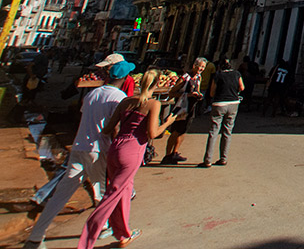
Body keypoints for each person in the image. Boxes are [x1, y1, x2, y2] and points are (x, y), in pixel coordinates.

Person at [22, 63, 131, 249]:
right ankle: (102, 229)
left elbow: (84, 118)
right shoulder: (119, 98)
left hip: (79, 146)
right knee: (104, 193)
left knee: (62, 195)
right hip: (99, 150)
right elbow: (114, 127)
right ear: (125, 78)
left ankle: (35, 236)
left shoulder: (92, 94)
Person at [77, 70, 176, 249]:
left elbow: (108, 128)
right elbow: (152, 133)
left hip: (116, 148)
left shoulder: (126, 102)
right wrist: (168, 123)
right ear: (156, 85)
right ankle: (85, 243)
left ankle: (123, 234)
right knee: (111, 196)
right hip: (132, 152)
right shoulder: (153, 104)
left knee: (123, 192)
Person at [200, 58, 244, 167]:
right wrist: (234, 92)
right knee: (227, 131)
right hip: (233, 103)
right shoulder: (236, 74)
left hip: (219, 104)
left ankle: (207, 160)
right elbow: (242, 87)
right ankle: (223, 158)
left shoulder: (218, 75)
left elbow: (211, 93)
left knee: (214, 131)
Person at [161, 57, 205, 164]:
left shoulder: (198, 78)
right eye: (200, 66)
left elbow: (197, 90)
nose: (202, 69)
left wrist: (198, 95)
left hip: (190, 109)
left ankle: (175, 152)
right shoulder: (185, 78)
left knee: (183, 131)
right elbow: (172, 93)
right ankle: (167, 155)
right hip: (180, 108)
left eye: (204, 67)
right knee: (175, 131)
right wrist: (188, 95)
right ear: (195, 66)